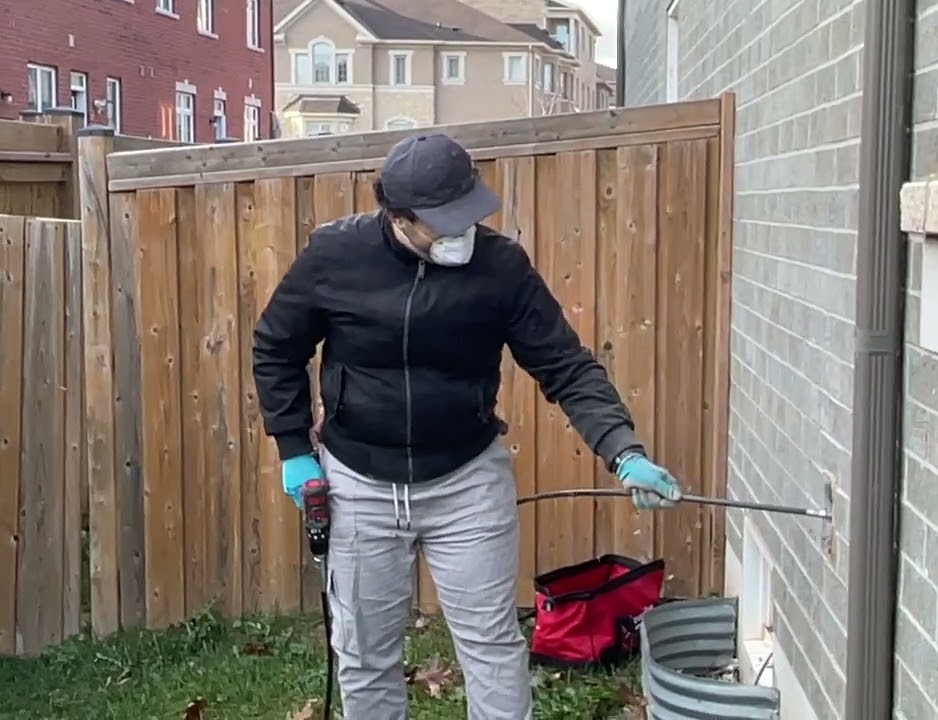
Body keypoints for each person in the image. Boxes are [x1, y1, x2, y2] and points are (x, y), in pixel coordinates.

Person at [251, 132, 683, 720]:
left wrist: (623, 451)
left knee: (492, 647)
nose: (461, 234)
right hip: (358, 483)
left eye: (467, 217)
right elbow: (276, 347)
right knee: (363, 654)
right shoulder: (335, 256)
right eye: (443, 224)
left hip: (465, 484)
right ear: (398, 217)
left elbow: (565, 364)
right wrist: (294, 448)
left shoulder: (500, 267)